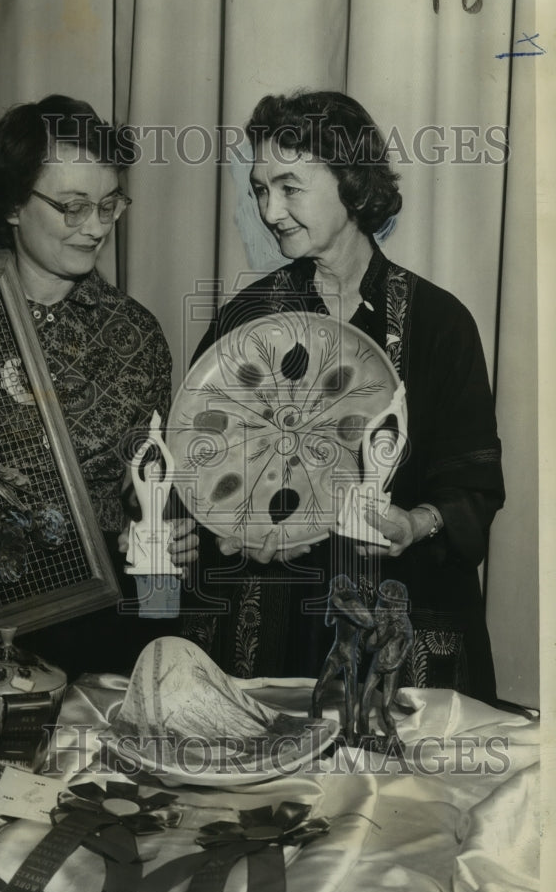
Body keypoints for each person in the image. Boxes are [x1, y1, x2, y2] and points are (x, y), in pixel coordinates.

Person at [185, 90, 504, 705]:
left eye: (290, 187)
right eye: (259, 190)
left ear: (352, 183)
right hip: (272, 632)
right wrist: (227, 530)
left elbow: (474, 492)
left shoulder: (440, 322)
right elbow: (194, 463)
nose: (270, 210)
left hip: (401, 630)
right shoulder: (247, 319)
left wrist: (416, 522)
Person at [0, 95, 197, 685]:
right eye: (72, 206)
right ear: (13, 203)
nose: (96, 227)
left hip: (96, 643)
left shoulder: (136, 336)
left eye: (110, 204)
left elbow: (150, 502)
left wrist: (176, 543)